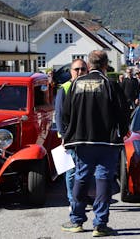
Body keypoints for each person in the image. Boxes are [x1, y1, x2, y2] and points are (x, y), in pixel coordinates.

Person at [61, 50, 129, 237]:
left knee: (81, 178)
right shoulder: (110, 84)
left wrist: (69, 133)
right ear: (106, 65)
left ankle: (76, 220)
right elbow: (123, 112)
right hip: (106, 141)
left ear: (89, 65)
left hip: (82, 140)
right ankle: (100, 224)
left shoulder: (75, 85)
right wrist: (123, 133)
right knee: (103, 179)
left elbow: (66, 114)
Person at [54, 59, 87, 210]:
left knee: (85, 170)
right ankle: (72, 200)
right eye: (77, 69)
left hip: (87, 135)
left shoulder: (88, 87)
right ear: (71, 71)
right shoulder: (65, 88)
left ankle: (81, 197)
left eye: (83, 69)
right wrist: (63, 136)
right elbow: (59, 114)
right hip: (71, 137)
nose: (80, 72)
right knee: (72, 170)